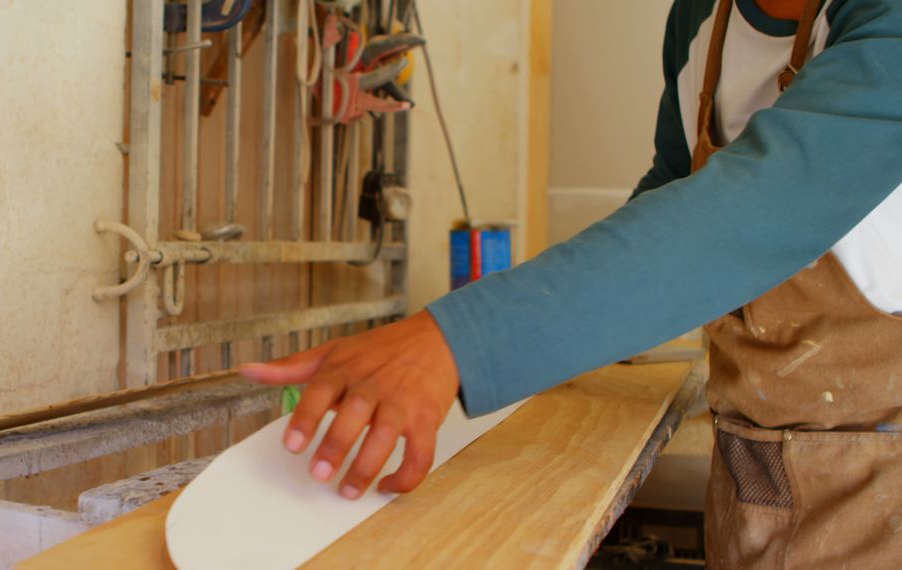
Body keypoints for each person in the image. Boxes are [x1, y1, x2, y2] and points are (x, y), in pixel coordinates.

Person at [242, 0, 902, 566]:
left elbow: (756, 207)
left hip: (883, 485)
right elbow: (674, 195)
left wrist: (454, 342)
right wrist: (541, 340)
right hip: (757, 475)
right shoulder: (704, 17)